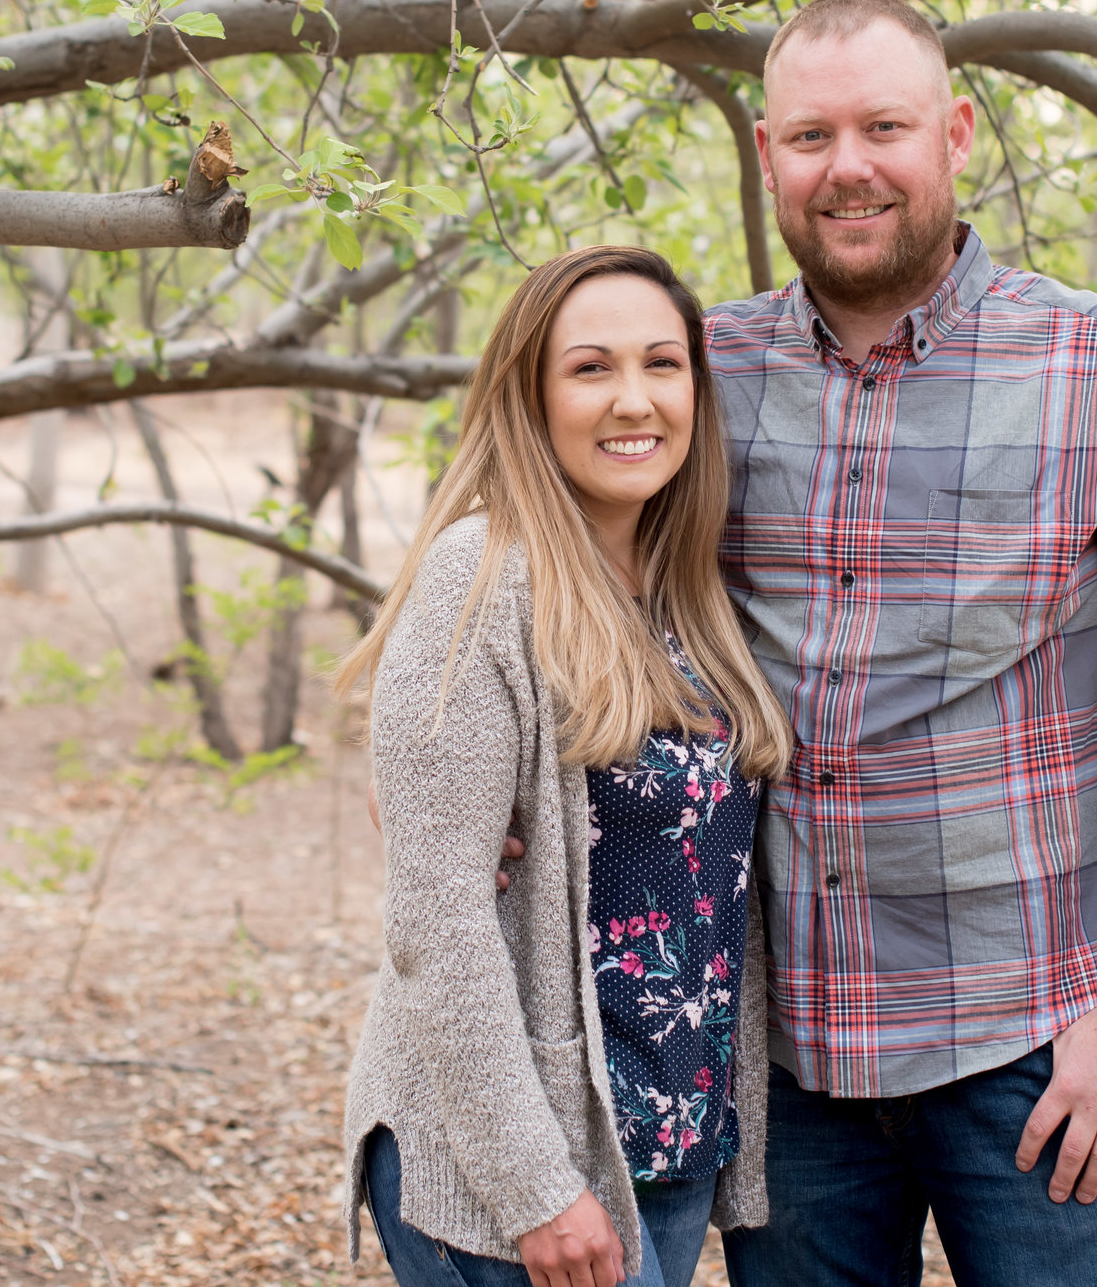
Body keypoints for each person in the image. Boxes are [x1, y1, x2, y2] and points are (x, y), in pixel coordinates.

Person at [707, 0, 1097, 1286]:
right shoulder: (697, 377)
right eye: (810, 137)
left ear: (956, 133)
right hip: (783, 1059)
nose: (847, 166)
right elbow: (585, 630)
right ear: (766, 155)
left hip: (1040, 1050)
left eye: (884, 127)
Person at [340, 245, 795, 1287]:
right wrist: (533, 1183)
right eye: (590, 368)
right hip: (521, 1163)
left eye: (662, 365)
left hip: (664, 1147)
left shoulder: (680, 587)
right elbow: (436, 917)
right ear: (531, 395)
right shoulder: (482, 577)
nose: (633, 399)